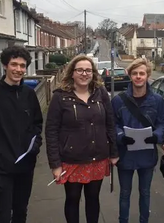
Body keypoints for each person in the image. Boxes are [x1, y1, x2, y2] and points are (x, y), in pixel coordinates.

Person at [45, 55, 119, 223]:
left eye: (88, 70)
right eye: (80, 70)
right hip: (72, 159)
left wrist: (113, 152)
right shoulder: (60, 97)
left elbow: (110, 123)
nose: (84, 74)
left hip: (98, 157)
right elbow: (51, 131)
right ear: (72, 73)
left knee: (93, 198)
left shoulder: (101, 93)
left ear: (93, 73)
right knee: (72, 198)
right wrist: (55, 164)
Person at [0, 45, 43, 223]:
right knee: (3, 217)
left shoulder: (29, 94)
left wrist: (35, 146)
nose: (18, 69)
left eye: (22, 66)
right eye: (14, 64)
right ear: (5, 65)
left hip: (25, 167)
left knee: (21, 212)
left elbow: (37, 124)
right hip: (1, 169)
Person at [111, 58, 164, 223]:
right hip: (125, 154)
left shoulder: (157, 101)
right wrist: (121, 136)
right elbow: (112, 123)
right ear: (130, 76)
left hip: (147, 154)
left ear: (147, 75)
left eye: (141, 73)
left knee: (145, 192)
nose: (138, 77)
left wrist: (156, 135)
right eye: (135, 73)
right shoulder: (118, 100)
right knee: (125, 193)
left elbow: (163, 122)